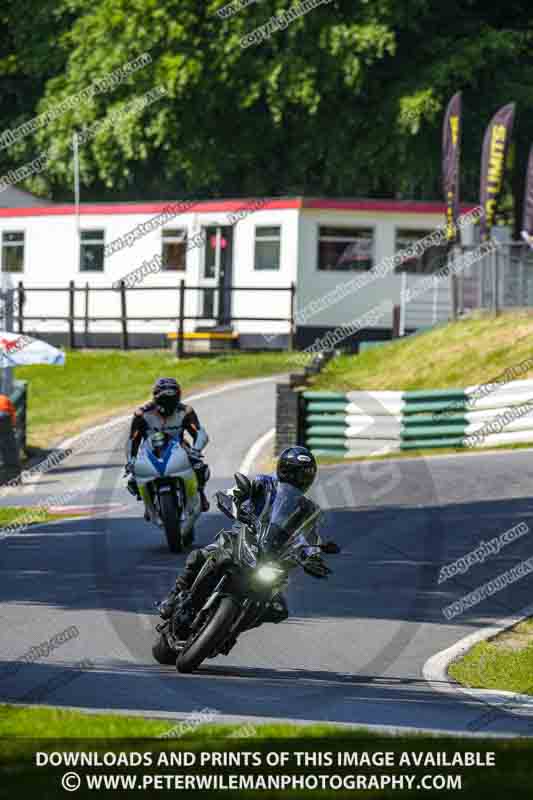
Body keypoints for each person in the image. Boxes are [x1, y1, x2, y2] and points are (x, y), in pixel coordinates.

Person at [158, 446, 333, 635]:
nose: (298, 479)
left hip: (273, 557)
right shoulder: (264, 483)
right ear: (283, 469)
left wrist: (313, 557)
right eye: (294, 472)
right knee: (199, 556)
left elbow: (309, 536)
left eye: (304, 475)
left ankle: (232, 629)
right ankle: (174, 596)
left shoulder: (307, 509)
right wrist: (234, 500)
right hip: (242, 537)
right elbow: (236, 491)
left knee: (277, 609)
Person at [125, 377, 210, 515]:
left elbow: (200, 433)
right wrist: (131, 460)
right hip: (149, 451)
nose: (168, 404)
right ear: (156, 398)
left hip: (180, 447)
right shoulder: (141, 414)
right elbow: (133, 440)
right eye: (164, 400)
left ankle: (200, 492)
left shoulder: (186, 411)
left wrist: (196, 450)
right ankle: (148, 501)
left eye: (172, 400)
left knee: (200, 468)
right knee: (133, 480)